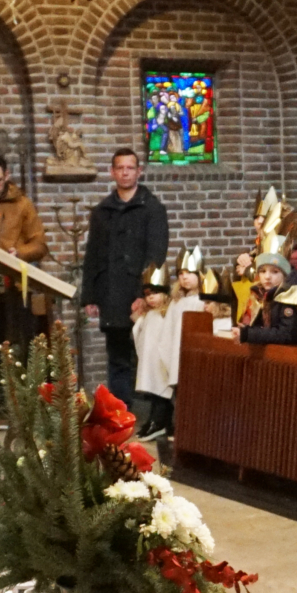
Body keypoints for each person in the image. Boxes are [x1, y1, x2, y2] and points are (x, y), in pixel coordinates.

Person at [79, 147, 171, 405]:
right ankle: (121, 414)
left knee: (149, 355)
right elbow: (93, 256)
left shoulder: (152, 209)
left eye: (130, 167)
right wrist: (90, 295)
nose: (125, 172)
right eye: (119, 168)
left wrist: (145, 294)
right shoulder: (102, 212)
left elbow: (156, 256)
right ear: (112, 172)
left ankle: (153, 415)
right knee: (118, 357)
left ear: (139, 171)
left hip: (142, 294)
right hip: (111, 294)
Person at [0, 148, 49, 357]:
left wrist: (20, 252)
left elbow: (40, 244)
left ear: (7, 176)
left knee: (18, 349)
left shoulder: (21, 205)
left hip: (15, 287)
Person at [130, 254, 206, 439]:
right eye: (181, 273)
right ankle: (173, 424)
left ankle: (187, 429)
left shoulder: (202, 301)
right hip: (171, 353)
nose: (184, 277)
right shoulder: (176, 302)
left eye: (189, 273)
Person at [236, 253, 297, 347]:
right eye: (263, 271)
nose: (267, 277)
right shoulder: (259, 295)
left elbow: (287, 334)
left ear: (284, 275)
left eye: (275, 272)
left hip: (287, 355)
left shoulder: (288, 297)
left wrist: (249, 334)